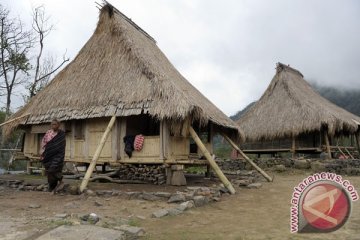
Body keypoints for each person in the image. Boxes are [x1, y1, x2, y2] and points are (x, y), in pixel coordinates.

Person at [40, 119, 66, 194]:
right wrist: (42, 152)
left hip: (58, 155)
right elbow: (44, 142)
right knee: (49, 171)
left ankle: (59, 181)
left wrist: (60, 155)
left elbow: (61, 146)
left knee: (53, 169)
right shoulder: (48, 133)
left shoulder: (61, 134)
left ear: (58, 125)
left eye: (55, 124)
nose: (53, 126)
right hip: (48, 155)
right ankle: (52, 186)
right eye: (52, 124)